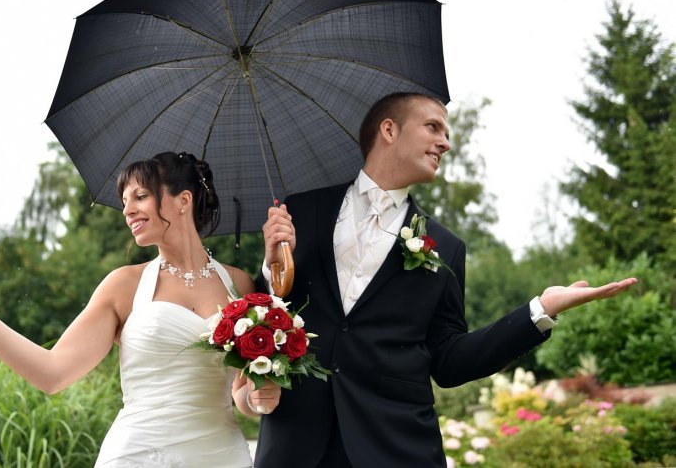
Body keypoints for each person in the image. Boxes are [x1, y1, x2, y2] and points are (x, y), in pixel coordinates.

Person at [255, 92, 637, 467]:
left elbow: (450, 361)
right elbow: (263, 321)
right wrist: (272, 270)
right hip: (296, 446)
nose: (446, 143)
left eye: (447, 133)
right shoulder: (297, 212)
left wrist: (540, 310)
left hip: (396, 447)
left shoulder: (446, 248)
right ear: (389, 130)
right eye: (433, 127)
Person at [0, 151, 281, 467]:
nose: (127, 210)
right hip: (140, 455)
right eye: (124, 201)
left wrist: (261, 398)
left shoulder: (240, 286)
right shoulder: (124, 285)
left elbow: (241, 397)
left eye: (140, 196)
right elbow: (52, 374)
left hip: (220, 457)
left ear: (183, 201)